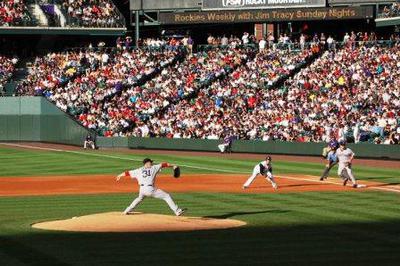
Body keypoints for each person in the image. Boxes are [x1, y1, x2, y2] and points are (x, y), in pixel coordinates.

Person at [116, 158, 186, 216]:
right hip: (150, 189)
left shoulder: (139, 170)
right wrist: (173, 166)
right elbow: (164, 164)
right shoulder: (153, 168)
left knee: (139, 198)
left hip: (142, 189)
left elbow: (127, 173)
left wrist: (119, 175)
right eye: (150, 162)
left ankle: (127, 210)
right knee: (166, 196)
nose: (151, 163)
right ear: (146, 163)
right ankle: (177, 211)